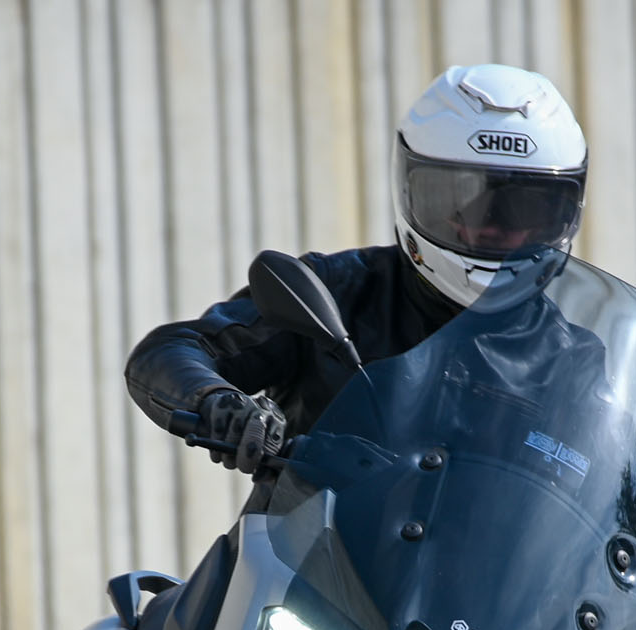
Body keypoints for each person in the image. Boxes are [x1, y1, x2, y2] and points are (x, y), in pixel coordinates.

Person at [126, 63, 589, 475]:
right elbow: (173, 350)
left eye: (527, 207)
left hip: (482, 550)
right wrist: (219, 403)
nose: (492, 227)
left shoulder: (575, 363)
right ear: (409, 188)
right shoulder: (336, 292)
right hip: (305, 542)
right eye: (464, 202)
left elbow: (623, 488)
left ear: (564, 213)